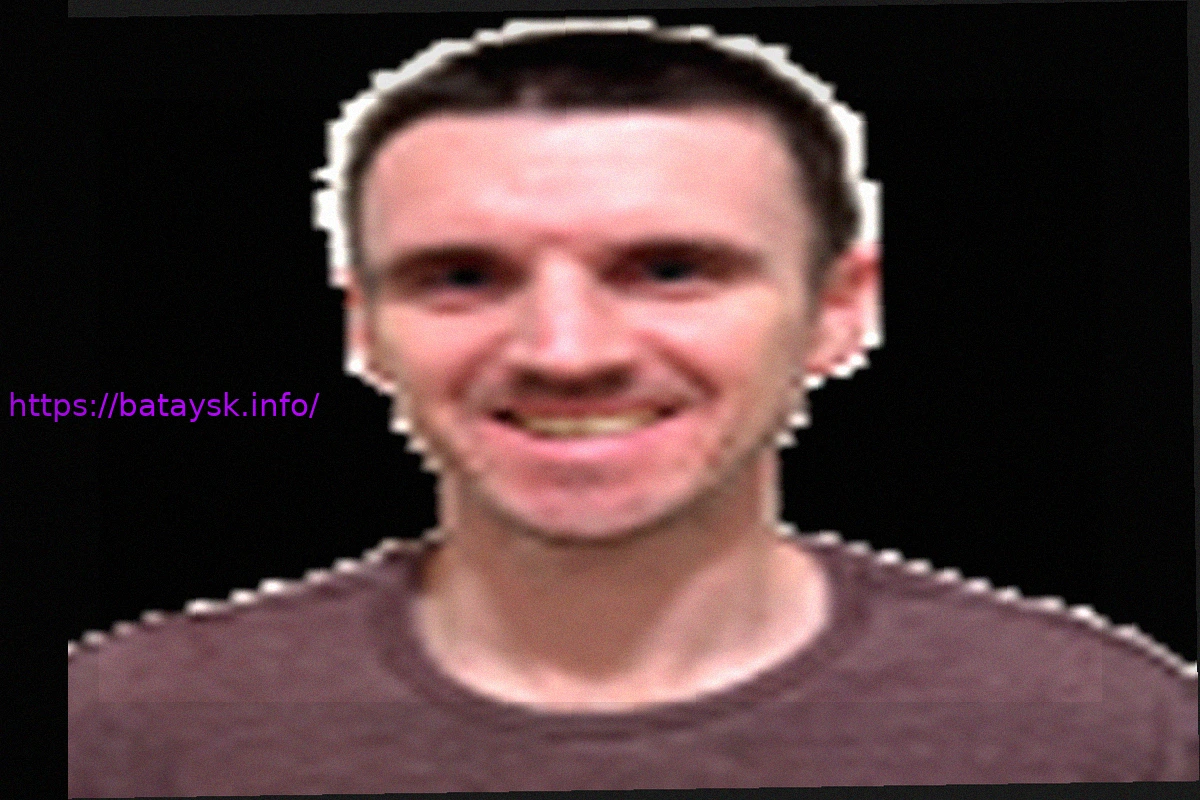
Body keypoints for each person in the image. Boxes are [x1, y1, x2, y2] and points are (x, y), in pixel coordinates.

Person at [68, 18, 1196, 795]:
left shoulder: (1101, 728)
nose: (567, 352)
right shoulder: (123, 728)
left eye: (670, 268)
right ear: (366, 324)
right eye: (461, 276)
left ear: (838, 309)